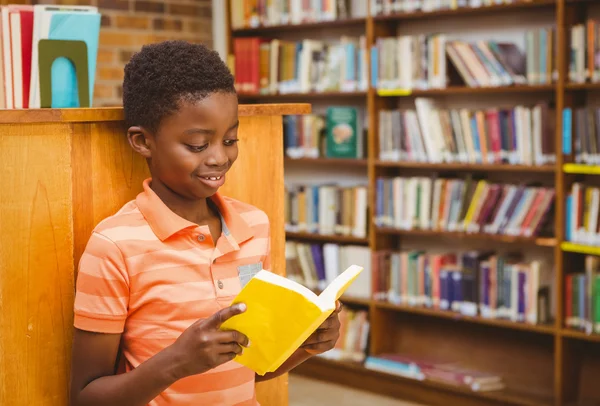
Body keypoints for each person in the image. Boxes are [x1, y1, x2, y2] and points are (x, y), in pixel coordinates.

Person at [69, 40, 342, 406]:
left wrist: (305, 345)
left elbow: (251, 366)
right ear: (142, 141)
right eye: (198, 144)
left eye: (230, 139)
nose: (219, 157)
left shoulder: (254, 227)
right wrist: (177, 362)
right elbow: (85, 397)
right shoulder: (115, 245)